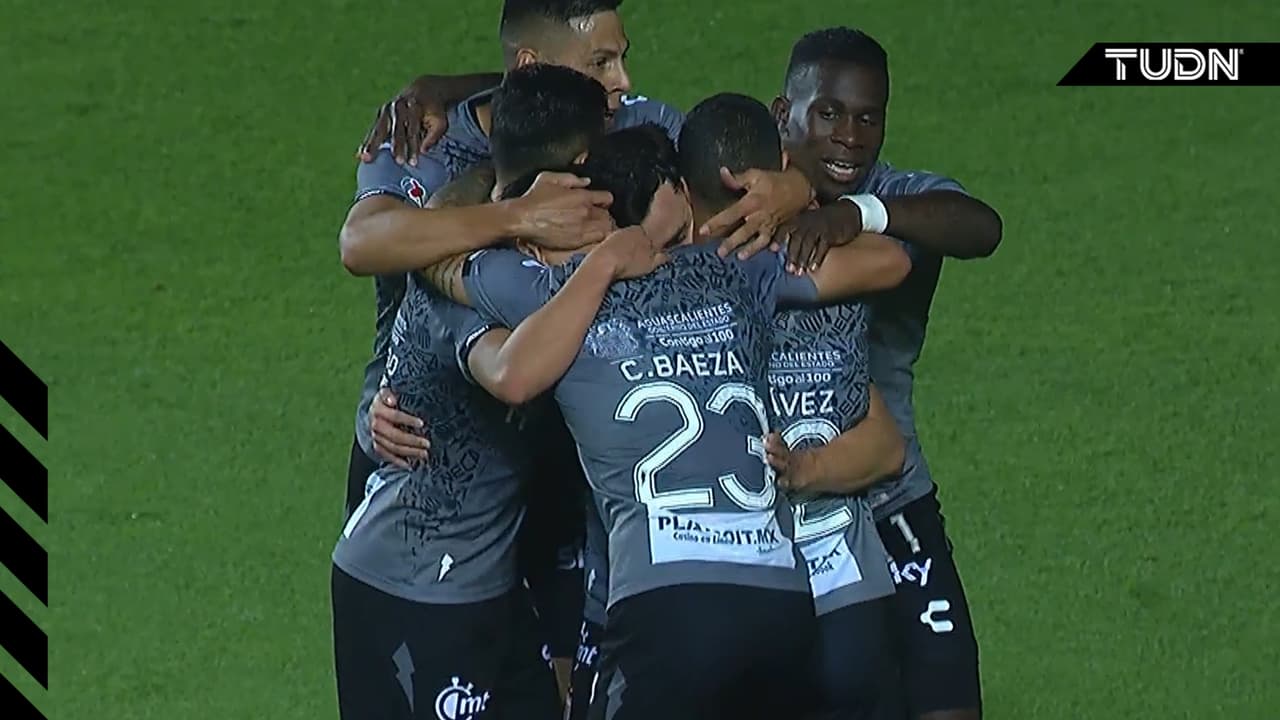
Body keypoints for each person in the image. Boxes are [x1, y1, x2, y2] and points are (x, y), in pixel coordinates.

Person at [417, 107, 910, 718]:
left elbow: (428, 252)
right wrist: (790, 203)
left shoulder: (549, 292)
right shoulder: (730, 269)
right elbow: (890, 261)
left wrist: (504, 205)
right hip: (781, 603)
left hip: (666, 607)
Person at [329, 63, 615, 720]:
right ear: (577, 170)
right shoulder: (469, 279)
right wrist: (612, 259)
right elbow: (511, 372)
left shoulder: (470, 218)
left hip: (489, 582)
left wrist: (438, 89)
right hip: (412, 587)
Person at [761, 27, 1004, 720]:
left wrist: (859, 213)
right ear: (784, 113)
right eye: (829, 113)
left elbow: (981, 227)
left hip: (891, 497)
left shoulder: (895, 198)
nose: (850, 137)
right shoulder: (747, 199)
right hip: (782, 507)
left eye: (869, 118)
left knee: (946, 699)